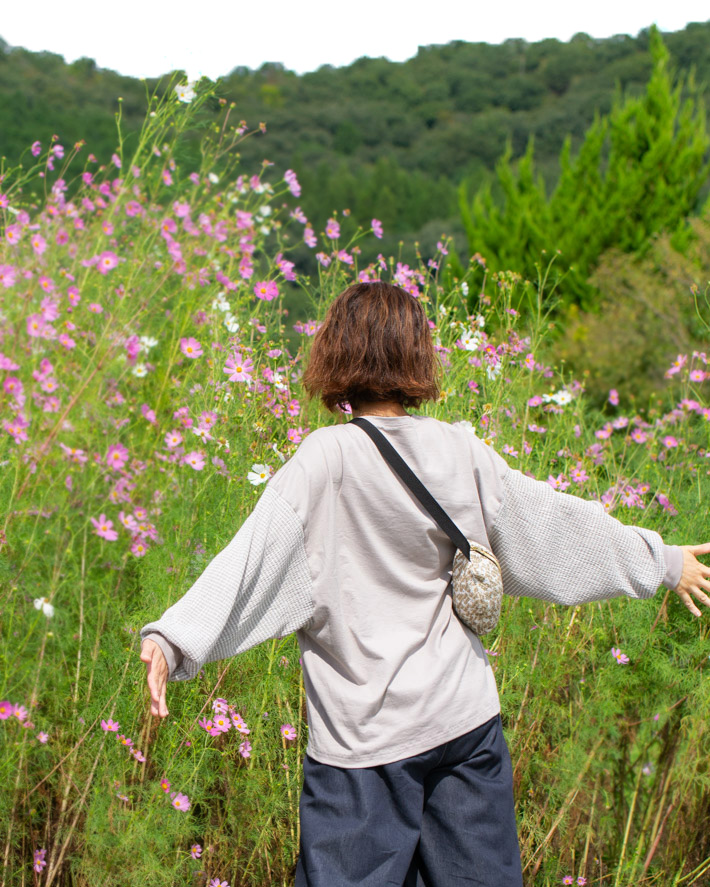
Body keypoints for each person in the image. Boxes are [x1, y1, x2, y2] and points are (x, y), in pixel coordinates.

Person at [140, 281, 710, 887]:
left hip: (363, 752)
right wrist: (662, 561)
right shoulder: (456, 449)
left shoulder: (324, 462)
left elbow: (248, 563)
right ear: (417, 354)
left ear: (336, 355)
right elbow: (550, 526)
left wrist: (174, 640)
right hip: (465, 729)